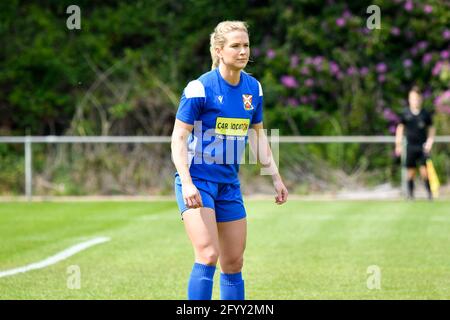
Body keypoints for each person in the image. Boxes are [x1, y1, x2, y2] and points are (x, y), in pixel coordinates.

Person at [170, 21, 288, 300]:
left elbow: (258, 136)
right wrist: (187, 183)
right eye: (235, 45)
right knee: (208, 254)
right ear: (219, 50)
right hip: (198, 182)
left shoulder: (253, 89)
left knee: (234, 262)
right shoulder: (200, 88)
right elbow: (178, 139)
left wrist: (276, 177)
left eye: (246, 45)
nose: (243, 51)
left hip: (229, 185)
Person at [395, 86, 435, 200]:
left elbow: (431, 129)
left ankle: (429, 194)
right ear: (409, 99)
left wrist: (429, 142)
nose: (415, 100)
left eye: (417, 98)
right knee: (410, 172)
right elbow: (400, 128)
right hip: (410, 146)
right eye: (412, 98)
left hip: (422, 147)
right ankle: (410, 195)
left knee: (424, 171)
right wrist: (398, 144)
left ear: (420, 99)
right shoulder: (406, 113)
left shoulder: (425, 114)